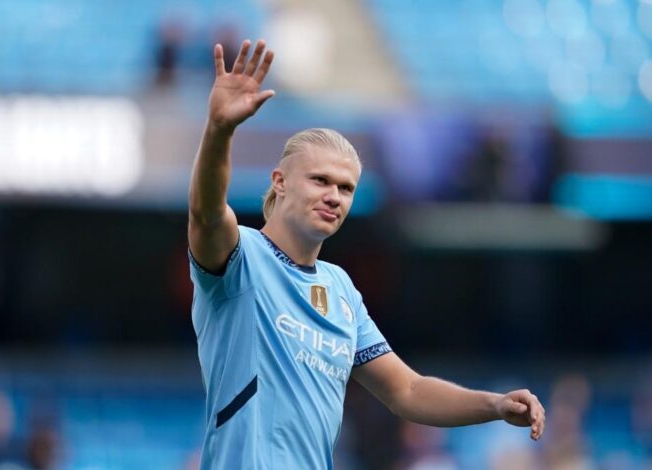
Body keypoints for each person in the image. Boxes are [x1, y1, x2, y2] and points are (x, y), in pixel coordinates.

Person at [187, 38, 546, 469]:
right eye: (320, 180)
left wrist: (493, 405)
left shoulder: (340, 290)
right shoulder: (240, 259)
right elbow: (207, 214)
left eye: (346, 188)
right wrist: (219, 129)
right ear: (280, 182)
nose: (334, 196)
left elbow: (406, 391)